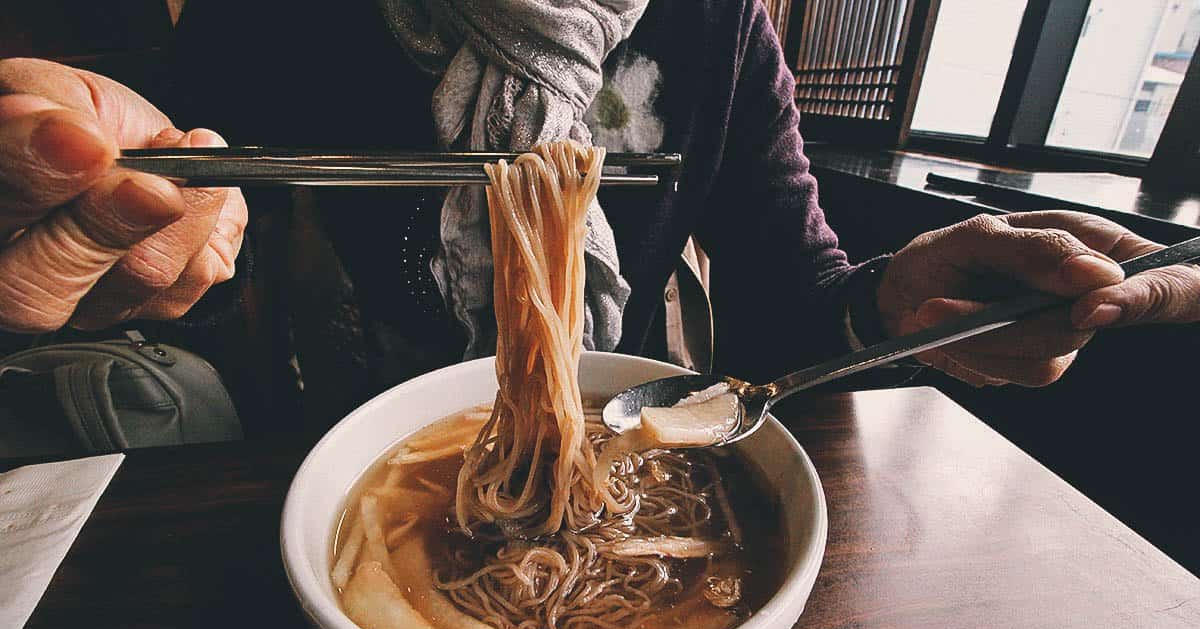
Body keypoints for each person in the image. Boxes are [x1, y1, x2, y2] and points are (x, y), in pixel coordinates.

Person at [0, 0, 1196, 424]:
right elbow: (184, 222)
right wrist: (105, 218)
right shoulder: (278, 16)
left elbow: (793, 305)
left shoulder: (721, 27)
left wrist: (892, 300)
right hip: (337, 432)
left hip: (625, 423)